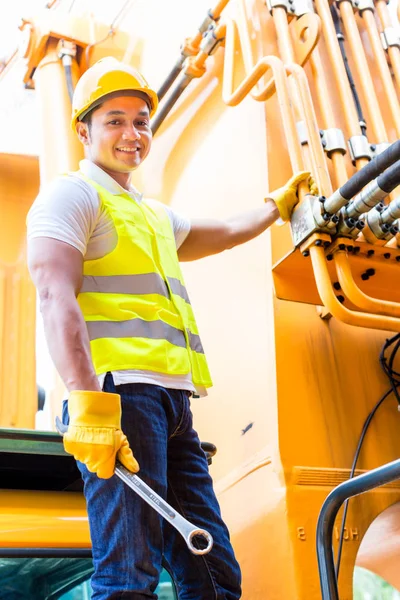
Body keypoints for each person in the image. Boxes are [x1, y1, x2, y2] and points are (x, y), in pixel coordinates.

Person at [27, 57, 317, 600]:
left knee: (212, 572)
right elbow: (52, 293)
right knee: (128, 575)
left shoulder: (151, 214)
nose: (132, 133)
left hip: (173, 404)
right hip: (119, 395)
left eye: (141, 121)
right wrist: (89, 405)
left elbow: (228, 230)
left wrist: (277, 205)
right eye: (115, 120)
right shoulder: (73, 196)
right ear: (83, 129)